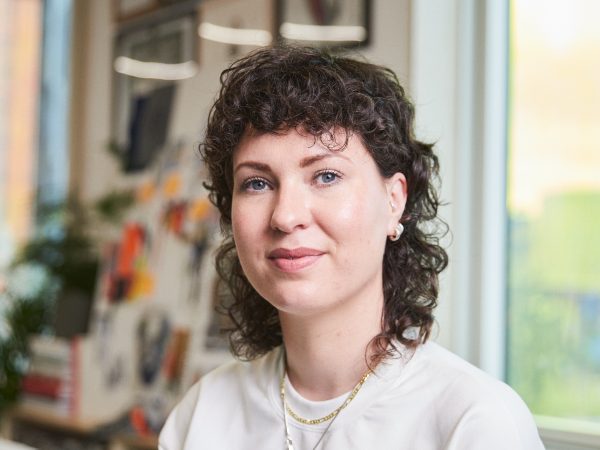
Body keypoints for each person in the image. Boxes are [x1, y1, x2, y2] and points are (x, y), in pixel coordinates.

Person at [159, 45, 545, 450]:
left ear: (394, 200)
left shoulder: (476, 422)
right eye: (257, 183)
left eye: (326, 176)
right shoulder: (202, 415)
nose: (285, 216)